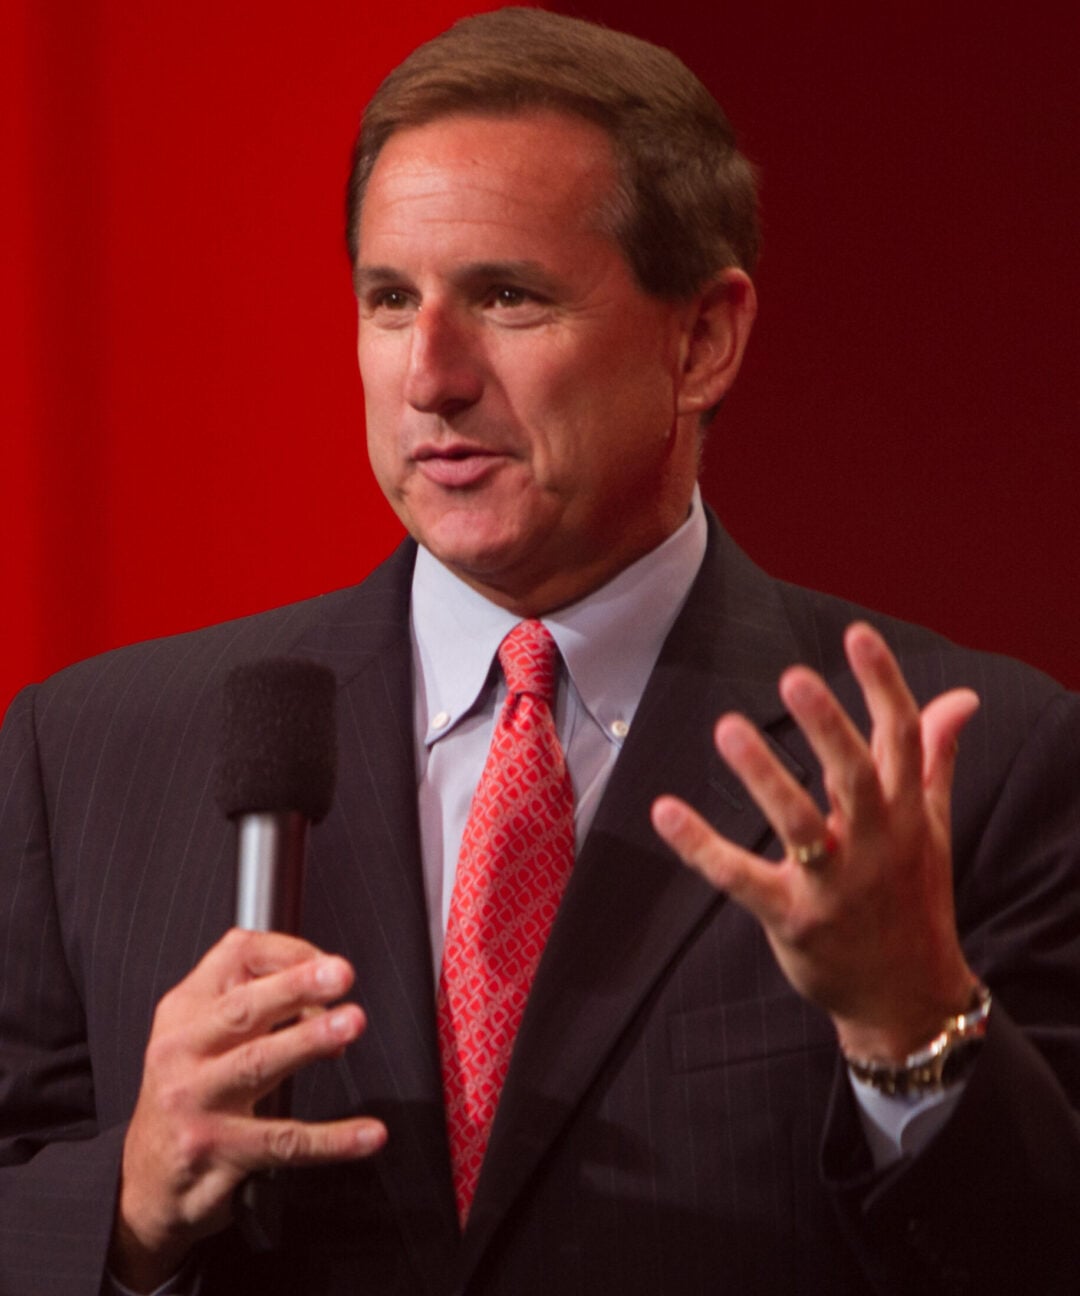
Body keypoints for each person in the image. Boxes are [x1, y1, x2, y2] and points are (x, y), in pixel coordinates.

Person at [1, 9, 1077, 1294]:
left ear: (703, 339)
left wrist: (915, 1031)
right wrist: (125, 1206)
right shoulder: (93, 754)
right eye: (390, 300)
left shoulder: (978, 764)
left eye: (507, 297)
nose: (430, 377)